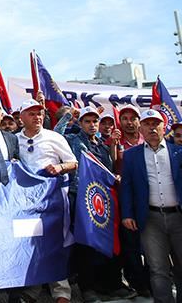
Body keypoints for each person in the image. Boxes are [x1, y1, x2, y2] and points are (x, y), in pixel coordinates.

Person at [66, 107, 135, 301]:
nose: (92, 125)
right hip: (80, 198)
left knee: (107, 241)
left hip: (101, 201)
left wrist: (116, 175)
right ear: (80, 123)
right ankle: (88, 288)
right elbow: (56, 133)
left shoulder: (104, 147)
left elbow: (109, 170)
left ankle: (111, 285)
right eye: (87, 121)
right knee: (85, 244)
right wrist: (68, 116)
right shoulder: (72, 140)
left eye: (95, 121)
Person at [15, 99, 75, 303]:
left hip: (53, 198)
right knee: (29, 243)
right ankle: (32, 289)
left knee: (55, 241)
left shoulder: (54, 137)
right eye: (31, 114)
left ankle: (61, 291)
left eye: (40, 113)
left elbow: (73, 162)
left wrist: (59, 168)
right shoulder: (14, 139)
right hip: (25, 201)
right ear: (21, 117)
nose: (37, 117)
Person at [120, 109, 182, 303]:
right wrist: (127, 214)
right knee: (157, 268)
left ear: (164, 127)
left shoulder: (178, 152)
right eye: (147, 124)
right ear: (141, 128)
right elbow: (127, 186)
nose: (152, 128)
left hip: (179, 217)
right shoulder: (131, 155)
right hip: (150, 219)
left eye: (156, 124)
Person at [115, 104, 151, 296]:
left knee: (152, 243)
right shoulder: (115, 142)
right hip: (127, 200)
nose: (129, 123)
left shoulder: (149, 141)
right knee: (131, 244)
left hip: (150, 199)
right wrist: (112, 147)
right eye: (125, 119)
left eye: (133, 118)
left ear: (139, 121)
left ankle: (154, 280)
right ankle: (138, 283)